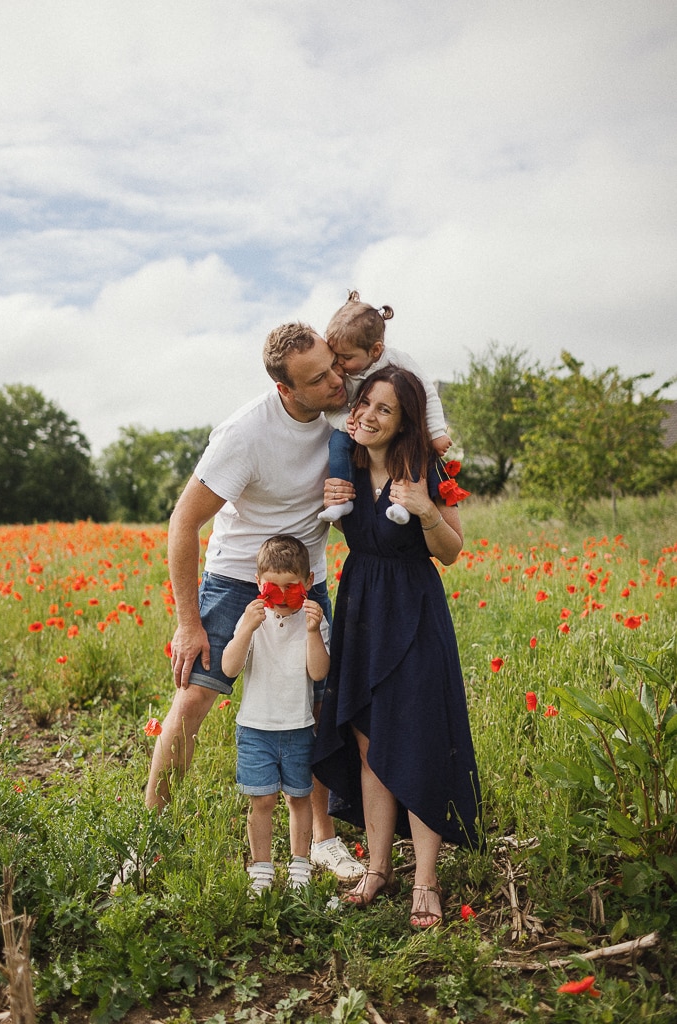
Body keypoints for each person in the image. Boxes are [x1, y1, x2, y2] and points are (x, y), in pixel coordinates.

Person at [126, 323, 364, 884]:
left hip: (309, 581)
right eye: (318, 378)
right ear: (287, 390)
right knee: (191, 702)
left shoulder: (346, 399)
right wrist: (189, 623)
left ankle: (324, 840)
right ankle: (146, 839)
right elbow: (183, 522)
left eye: (334, 365)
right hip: (239, 578)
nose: (335, 380)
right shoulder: (246, 434)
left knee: (319, 706)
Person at [312, 365, 482, 930]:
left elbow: (452, 551)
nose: (368, 416)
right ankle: (378, 867)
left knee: (419, 737)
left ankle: (425, 880)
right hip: (361, 604)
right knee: (367, 742)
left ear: (405, 420)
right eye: (365, 404)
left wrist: (428, 509)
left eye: (385, 410)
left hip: (413, 609)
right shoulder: (346, 466)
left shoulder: (427, 470)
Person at [222, 536, 330, 894]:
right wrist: (247, 629)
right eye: (273, 587)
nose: (282, 596)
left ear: (308, 583)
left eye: (292, 587)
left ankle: (300, 866)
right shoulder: (253, 620)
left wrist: (313, 632)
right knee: (262, 800)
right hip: (255, 727)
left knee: (299, 798)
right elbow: (229, 666)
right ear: (258, 584)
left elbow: (318, 672)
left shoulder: (314, 622)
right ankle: (262, 868)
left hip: (299, 727)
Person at [317, 290, 452, 526]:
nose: (338, 363)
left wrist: (437, 432)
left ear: (376, 350)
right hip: (357, 428)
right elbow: (330, 409)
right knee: (336, 443)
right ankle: (341, 499)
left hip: (400, 428)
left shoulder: (397, 361)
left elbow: (427, 393)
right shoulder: (344, 376)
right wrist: (344, 421)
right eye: (334, 356)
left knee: (412, 450)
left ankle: (402, 503)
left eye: (345, 357)